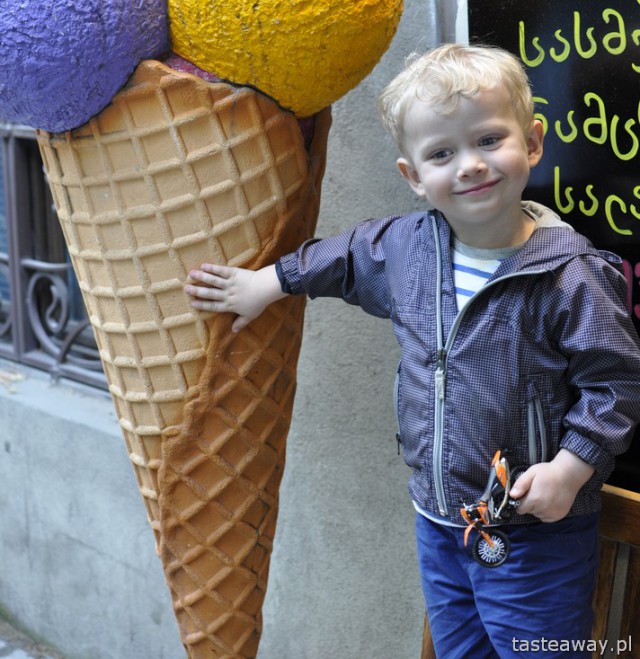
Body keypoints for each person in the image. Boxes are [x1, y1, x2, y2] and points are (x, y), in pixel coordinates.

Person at [184, 43, 640, 658]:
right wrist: (266, 284)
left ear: (532, 143)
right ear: (414, 177)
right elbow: (340, 258)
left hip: (536, 532)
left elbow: (615, 385)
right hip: (438, 521)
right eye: (442, 153)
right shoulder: (406, 250)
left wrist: (572, 468)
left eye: (488, 140)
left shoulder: (572, 274)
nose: (470, 165)